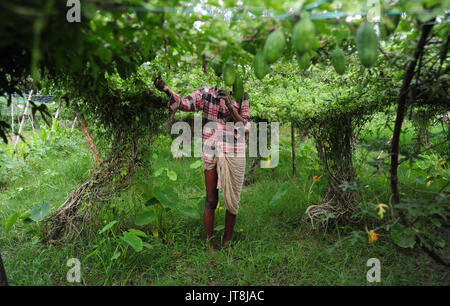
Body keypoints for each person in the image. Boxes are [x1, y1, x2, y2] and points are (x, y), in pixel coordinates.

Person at [154, 77, 250, 250]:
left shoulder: (241, 94)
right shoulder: (206, 93)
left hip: (234, 150)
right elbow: (185, 103)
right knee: (211, 199)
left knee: (231, 200)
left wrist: (229, 104)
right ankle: (210, 244)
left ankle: (227, 244)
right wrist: (167, 90)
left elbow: (245, 126)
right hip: (211, 149)